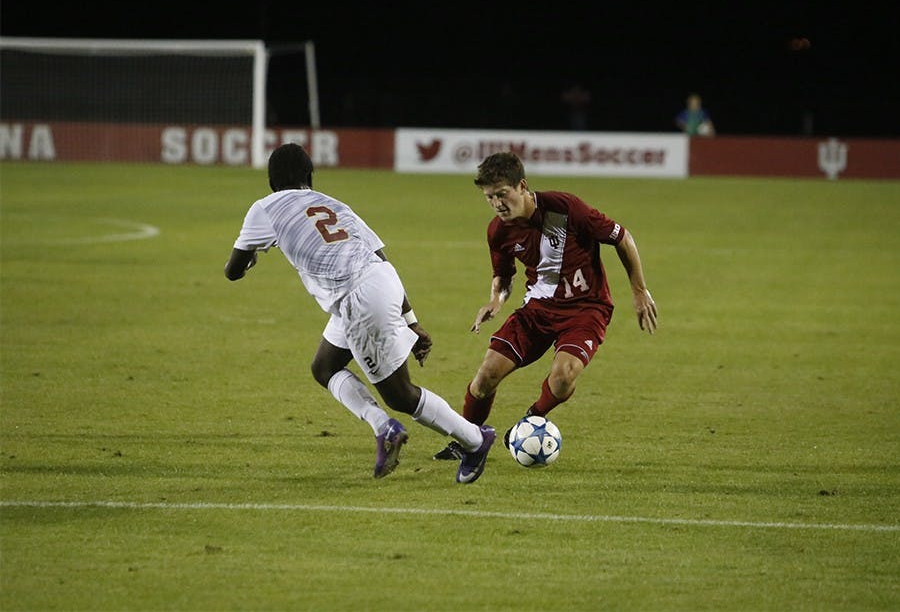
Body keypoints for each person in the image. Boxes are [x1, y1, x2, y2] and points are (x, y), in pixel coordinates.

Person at [225, 143, 495, 483]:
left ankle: (474, 440)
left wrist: (249, 259)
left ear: (271, 181)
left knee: (400, 395)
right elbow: (380, 256)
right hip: (377, 283)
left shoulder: (264, 207)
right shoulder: (333, 204)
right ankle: (384, 427)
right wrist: (411, 321)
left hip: (357, 296)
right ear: (309, 176)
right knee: (324, 367)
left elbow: (232, 271)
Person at [433, 151, 657, 460]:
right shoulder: (498, 231)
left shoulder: (565, 208)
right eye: (489, 198)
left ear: (522, 186)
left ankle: (529, 421)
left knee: (563, 377)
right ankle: (467, 441)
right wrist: (496, 300)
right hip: (537, 310)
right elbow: (503, 275)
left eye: (502, 194)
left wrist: (639, 290)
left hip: (586, 309)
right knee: (484, 377)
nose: (497, 203)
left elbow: (621, 237)